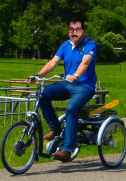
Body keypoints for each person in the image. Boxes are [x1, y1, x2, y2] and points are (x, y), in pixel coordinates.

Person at [30, 14, 97, 161]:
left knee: (71, 109)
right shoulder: (65, 45)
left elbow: (85, 63)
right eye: (71, 29)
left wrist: (76, 75)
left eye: (77, 29)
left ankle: (67, 150)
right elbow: (53, 62)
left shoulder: (90, 45)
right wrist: (38, 75)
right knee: (42, 94)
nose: (74, 33)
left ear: (83, 30)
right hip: (68, 84)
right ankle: (55, 127)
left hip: (85, 86)